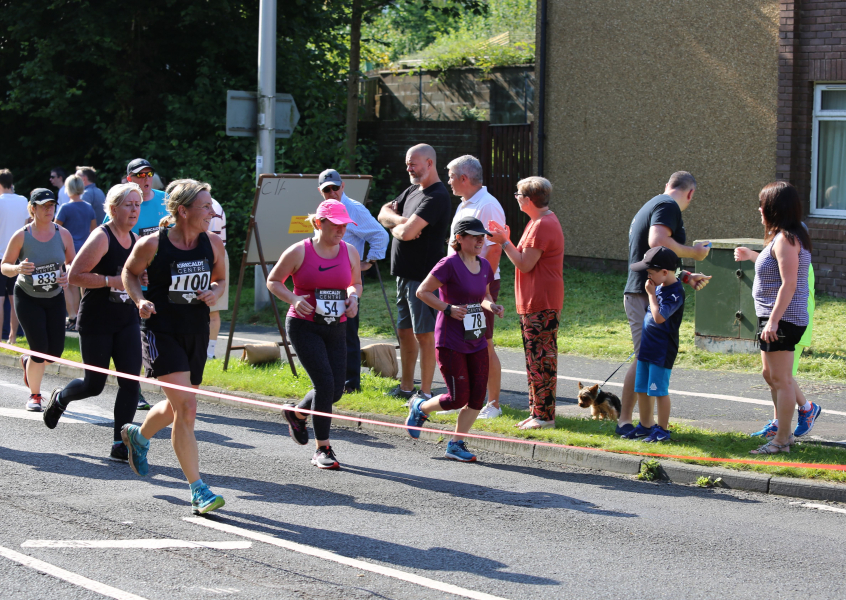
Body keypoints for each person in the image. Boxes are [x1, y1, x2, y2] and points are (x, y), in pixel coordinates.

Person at [120, 179, 228, 514]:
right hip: (161, 331)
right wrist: (139, 300)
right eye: (206, 207)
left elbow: (221, 279)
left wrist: (215, 291)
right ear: (183, 211)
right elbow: (129, 273)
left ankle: (138, 436)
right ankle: (198, 490)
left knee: (177, 404)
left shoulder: (212, 244)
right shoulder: (153, 244)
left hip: (195, 331)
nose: (212, 212)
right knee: (188, 408)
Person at [42, 184, 143, 461]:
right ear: (112, 209)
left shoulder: (136, 240)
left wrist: (141, 281)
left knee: (130, 382)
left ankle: (119, 443)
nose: (134, 210)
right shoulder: (102, 237)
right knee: (94, 384)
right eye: (128, 205)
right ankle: (61, 399)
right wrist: (112, 281)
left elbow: (135, 277)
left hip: (126, 320)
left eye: (137, 204)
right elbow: (74, 276)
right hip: (98, 320)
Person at [267, 200, 363, 470]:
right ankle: (323, 448)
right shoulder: (299, 251)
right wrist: (295, 299)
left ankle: (296, 413)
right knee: (324, 384)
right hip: (304, 325)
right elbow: (273, 281)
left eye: (345, 225)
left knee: (335, 391)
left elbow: (355, 283)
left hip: (336, 324)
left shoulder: (350, 251)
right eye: (336, 225)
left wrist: (353, 298)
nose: (341, 230)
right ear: (319, 223)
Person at [619, 171, 712, 438]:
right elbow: (658, 243)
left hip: (643, 291)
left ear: (667, 185)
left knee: (643, 359)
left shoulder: (655, 203)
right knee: (643, 359)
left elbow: (657, 260)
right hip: (643, 293)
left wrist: (683, 276)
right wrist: (695, 253)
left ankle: (641, 423)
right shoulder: (668, 206)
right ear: (691, 193)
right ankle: (628, 422)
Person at [405, 217, 504, 462]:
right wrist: (447, 308)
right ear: (459, 238)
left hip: (476, 338)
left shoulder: (484, 265)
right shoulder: (448, 264)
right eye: (474, 236)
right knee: (458, 397)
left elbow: (484, 294)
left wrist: (492, 306)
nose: (481, 240)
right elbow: (422, 292)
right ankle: (420, 407)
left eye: (483, 236)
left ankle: (456, 444)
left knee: (477, 396)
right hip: (451, 341)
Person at [734, 181, 820, 454]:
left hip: (782, 318)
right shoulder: (783, 237)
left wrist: (773, 321)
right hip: (773, 317)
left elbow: (789, 284)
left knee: (781, 379)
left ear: (775, 208)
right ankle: (783, 434)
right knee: (770, 374)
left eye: (763, 205)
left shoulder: (786, 239)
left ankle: (783, 439)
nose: (759, 209)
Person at [487, 176, 564, 429]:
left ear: (528, 199)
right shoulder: (538, 222)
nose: (516, 198)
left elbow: (524, 263)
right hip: (534, 301)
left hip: (541, 301)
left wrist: (504, 242)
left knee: (541, 359)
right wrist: (507, 240)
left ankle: (544, 417)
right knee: (534, 359)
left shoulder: (542, 224)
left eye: (518, 194)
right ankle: (537, 413)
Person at [377, 144, 451, 403]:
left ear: (430, 163)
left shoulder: (437, 196)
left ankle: (426, 392)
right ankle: (406, 387)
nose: (408, 168)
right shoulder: (411, 191)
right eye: (407, 163)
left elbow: (409, 235)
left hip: (423, 278)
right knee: (405, 332)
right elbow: (383, 213)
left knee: (424, 335)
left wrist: (401, 228)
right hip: (403, 275)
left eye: (413, 163)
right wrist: (400, 222)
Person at [0, 189, 74, 411]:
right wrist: (18, 268)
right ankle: (35, 395)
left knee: (54, 353)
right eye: (43, 205)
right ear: (32, 208)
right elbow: (4, 267)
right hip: (28, 297)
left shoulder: (63, 234)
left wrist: (66, 273)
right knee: (39, 349)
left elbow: (72, 261)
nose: (49, 209)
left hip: (54, 296)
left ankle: (27, 361)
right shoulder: (22, 235)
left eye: (51, 205)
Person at [444, 155, 506, 418]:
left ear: (464, 178)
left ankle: (493, 404)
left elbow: (493, 249)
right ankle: (460, 399)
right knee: (459, 342)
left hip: (478, 285)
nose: (448, 181)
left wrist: (484, 287)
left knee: (483, 342)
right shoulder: (465, 204)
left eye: (450, 176)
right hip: (457, 284)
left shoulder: (488, 206)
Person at [316, 168, 389, 392]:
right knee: (326, 327)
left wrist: (369, 261)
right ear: (321, 191)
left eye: (335, 188)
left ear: (342, 186)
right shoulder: (323, 211)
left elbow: (380, 235)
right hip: (325, 279)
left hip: (348, 280)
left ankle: (350, 383)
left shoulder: (354, 209)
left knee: (347, 331)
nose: (332, 192)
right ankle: (329, 380)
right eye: (326, 189)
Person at [105, 158, 169, 410]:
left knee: (163, 335)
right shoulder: (122, 203)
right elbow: (110, 237)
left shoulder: (166, 200)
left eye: (149, 174)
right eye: (139, 175)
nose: (145, 179)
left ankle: (170, 386)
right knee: (138, 338)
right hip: (135, 282)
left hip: (163, 281)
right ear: (129, 178)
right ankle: (136, 389)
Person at [626, 247, 685, 442]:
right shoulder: (659, 286)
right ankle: (645, 425)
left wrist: (651, 295)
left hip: (662, 350)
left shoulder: (675, 293)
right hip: (647, 348)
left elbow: (659, 317)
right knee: (641, 388)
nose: (648, 277)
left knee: (658, 390)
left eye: (651, 273)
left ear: (665, 272)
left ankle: (662, 429)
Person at [55, 173, 96, 331]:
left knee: (68, 284)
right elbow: (94, 230)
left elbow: (55, 228)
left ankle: (72, 316)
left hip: (68, 250)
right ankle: (82, 314)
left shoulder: (65, 208)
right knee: (82, 284)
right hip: (85, 250)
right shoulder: (88, 207)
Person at [0, 169, 28, 345]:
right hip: (18, 256)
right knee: (14, 297)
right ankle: (12, 336)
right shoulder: (23, 200)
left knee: (0, 299)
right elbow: (26, 227)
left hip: (1, 255)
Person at [206, 197, 228, 359]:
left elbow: (211, 238)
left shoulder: (207, 205)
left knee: (212, 309)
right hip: (216, 251)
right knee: (213, 311)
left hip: (211, 253)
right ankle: (209, 352)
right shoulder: (214, 203)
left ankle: (209, 352)